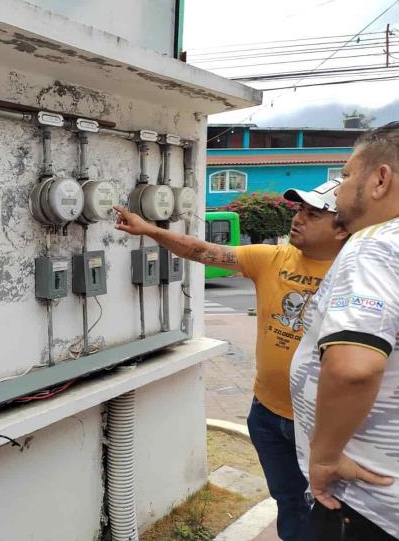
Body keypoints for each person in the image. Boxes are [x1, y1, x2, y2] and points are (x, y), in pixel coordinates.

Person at [114, 179, 349, 541]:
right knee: (289, 502)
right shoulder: (272, 258)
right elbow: (202, 251)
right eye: (299, 210)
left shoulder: (357, 273)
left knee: (332, 511)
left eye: (312, 214)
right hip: (267, 414)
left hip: (322, 424)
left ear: (342, 228)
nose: (298, 218)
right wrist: (148, 230)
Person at [290, 122, 399, 540]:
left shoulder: (374, 245)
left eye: (347, 174)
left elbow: (353, 367)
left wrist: (325, 458)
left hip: (368, 505)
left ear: (380, 180)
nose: (337, 189)